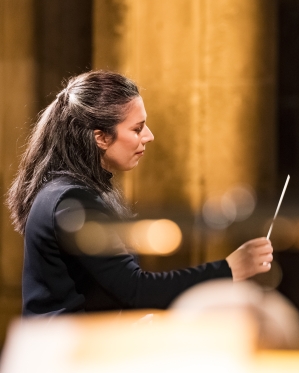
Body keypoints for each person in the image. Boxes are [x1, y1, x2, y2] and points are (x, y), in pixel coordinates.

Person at [6, 70, 273, 316]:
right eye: (137, 128)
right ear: (101, 137)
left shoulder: (73, 191)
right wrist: (229, 269)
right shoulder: (72, 201)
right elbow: (136, 290)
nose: (149, 136)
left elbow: (110, 290)